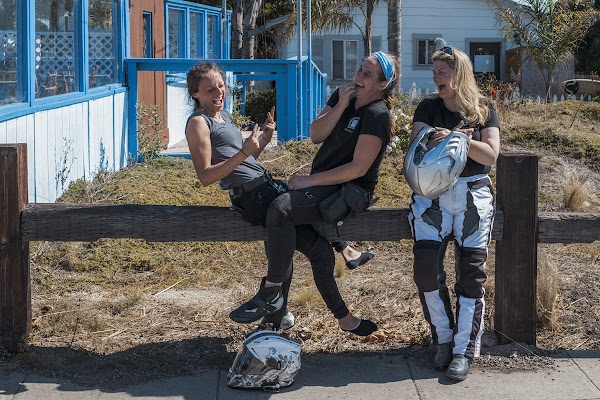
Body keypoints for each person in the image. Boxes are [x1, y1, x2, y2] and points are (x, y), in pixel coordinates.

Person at [184, 62, 373, 330]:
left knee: (319, 252)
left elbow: (244, 162)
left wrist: (262, 140)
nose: (219, 92)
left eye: (221, 85)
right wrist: (244, 151)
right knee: (299, 244)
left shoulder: (223, 116)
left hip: (265, 185)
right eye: (210, 89)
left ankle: (335, 316)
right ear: (195, 94)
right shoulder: (198, 123)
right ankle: (281, 302)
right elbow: (205, 176)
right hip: (253, 197)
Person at [229, 52, 400, 336]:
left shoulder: (377, 115)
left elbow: (358, 168)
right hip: (322, 185)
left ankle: (272, 292)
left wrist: (310, 181)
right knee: (317, 250)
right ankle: (333, 317)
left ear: (383, 85)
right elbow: (316, 134)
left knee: (282, 208)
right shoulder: (342, 96)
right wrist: (343, 103)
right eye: (359, 69)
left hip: (349, 191)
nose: (358, 77)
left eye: (367, 75)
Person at [408, 44, 500, 381]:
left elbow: (490, 154)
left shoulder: (483, 109)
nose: (435, 78)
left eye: (441, 72)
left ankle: (463, 349)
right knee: (426, 271)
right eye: (434, 72)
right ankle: (443, 339)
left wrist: (459, 140)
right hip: (432, 195)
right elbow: (418, 142)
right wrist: (445, 138)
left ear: (458, 74)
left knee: (472, 275)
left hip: (473, 194)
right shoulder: (429, 106)